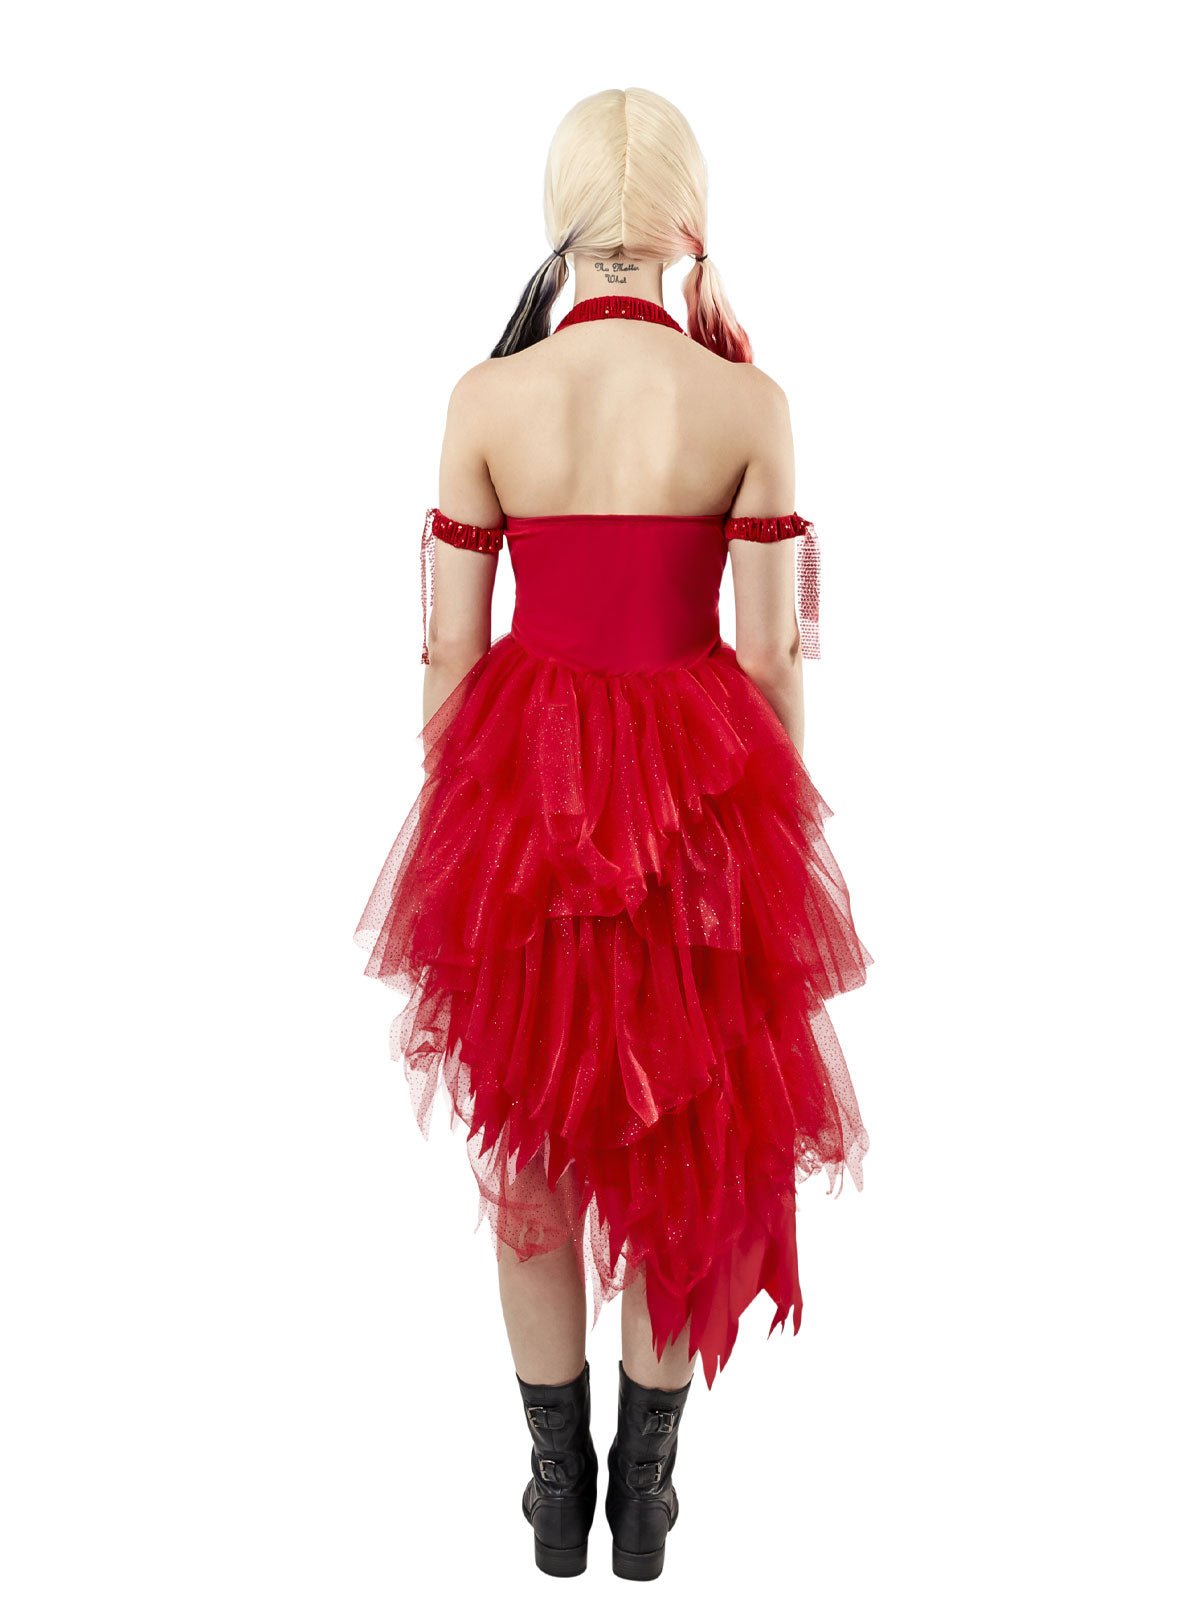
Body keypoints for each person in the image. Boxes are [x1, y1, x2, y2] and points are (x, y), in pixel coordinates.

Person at [354, 86, 873, 1581]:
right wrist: (771, 839)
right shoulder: (748, 407)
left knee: (534, 1148)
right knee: (682, 1143)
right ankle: (647, 1489)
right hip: (696, 801)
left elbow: (450, 658)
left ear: (563, 218)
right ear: (690, 220)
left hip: (527, 797)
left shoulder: (486, 401)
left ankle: (551, 1483)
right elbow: (772, 663)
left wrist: (469, 828)